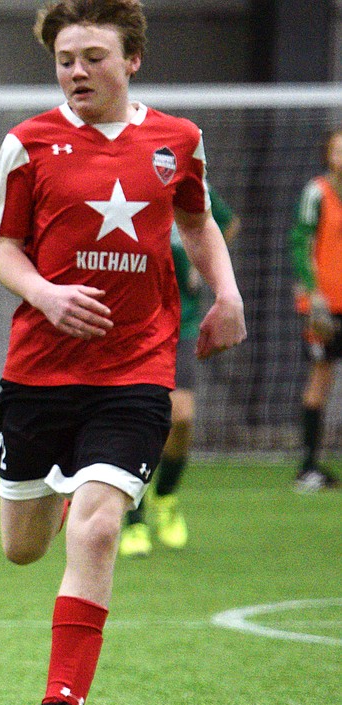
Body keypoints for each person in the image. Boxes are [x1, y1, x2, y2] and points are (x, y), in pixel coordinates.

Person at [0, 0, 246, 705]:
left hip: (135, 370)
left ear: (131, 60)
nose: (76, 72)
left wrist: (225, 295)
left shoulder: (178, 142)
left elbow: (196, 223)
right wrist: (47, 294)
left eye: (93, 56)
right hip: (37, 373)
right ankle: (69, 487)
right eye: (65, 59)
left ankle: (61, 703)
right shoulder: (27, 144)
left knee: (97, 528)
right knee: (23, 548)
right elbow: (4, 249)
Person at [119, 188, 241, 556]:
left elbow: (226, 224)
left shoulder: (187, 180)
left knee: (182, 416)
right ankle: (133, 520)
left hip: (181, 321)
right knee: (133, 419)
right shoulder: (124, 182)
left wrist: (204, 267)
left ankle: (166, 498)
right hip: (129, 321)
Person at [289, 128, 342, 492]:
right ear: (328, 154)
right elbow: (300, 243)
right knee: (320, 381)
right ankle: (308, 467)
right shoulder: (316, 192)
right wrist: (313, 293)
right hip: (325, 305)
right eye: (338, 150)